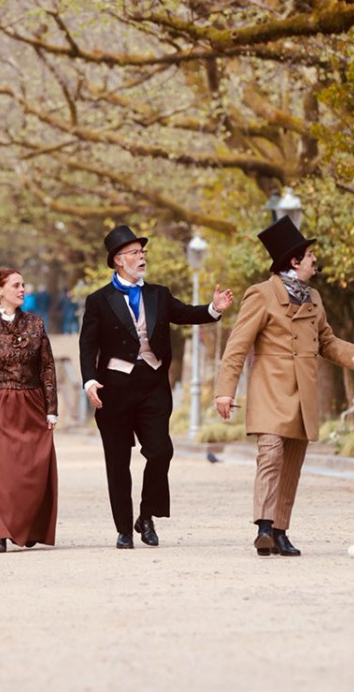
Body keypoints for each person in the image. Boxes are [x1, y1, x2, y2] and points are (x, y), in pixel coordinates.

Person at [215, 217, 354, 557]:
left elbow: (327, 341)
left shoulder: (313, 297)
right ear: (294, 261)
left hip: (303, 391)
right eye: (310, 254)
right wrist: (224, 390)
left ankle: (280, 531)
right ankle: (263, 526)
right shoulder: (260, 294)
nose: (315, 260)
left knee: (291, 464)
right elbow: (237, 345)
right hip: (269, 390)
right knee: (270, 455)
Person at [80, 224, 234, 549]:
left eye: (142, 252)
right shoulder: (98, 300)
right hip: (114, 390)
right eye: (135, 253)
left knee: (162, 451)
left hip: (152, 387)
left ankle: (146, 515)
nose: (141, 258)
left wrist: (214, 308)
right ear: (118, 260)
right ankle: (124, 529)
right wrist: (89, 380)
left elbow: (185, 314)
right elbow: (87, 345)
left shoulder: (158, 294)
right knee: (118, 461)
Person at [0, 268, 58, 553]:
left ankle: (28, 526)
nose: (22, 290)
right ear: (0, 290)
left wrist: (51, 408)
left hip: (30, 404)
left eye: (23, 285)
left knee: (31, 469)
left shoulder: (36, 324)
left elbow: (46, 367)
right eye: (16, 285)